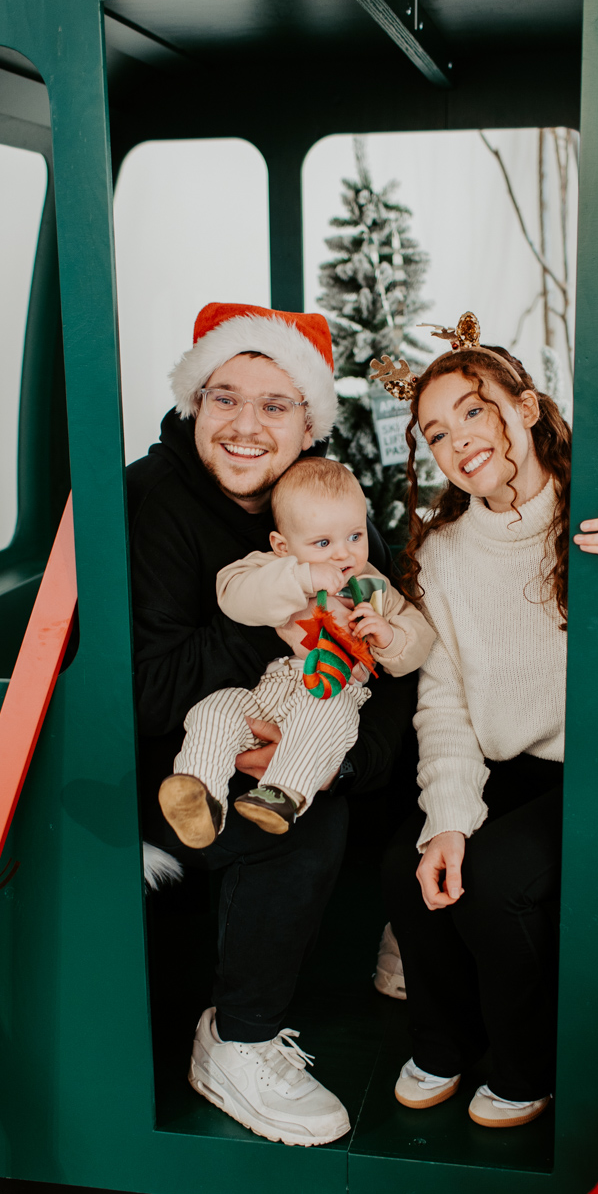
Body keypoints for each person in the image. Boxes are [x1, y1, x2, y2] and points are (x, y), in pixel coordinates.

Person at [377, 313, 598, 1130]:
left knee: (499, 881)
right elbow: (443, 700)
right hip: (515, 765)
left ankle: (528, 1066)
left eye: (473, 411)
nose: (458, 441)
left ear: (524, 405)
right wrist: (447, 819)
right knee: (409, 867)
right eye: (437, 432)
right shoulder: (444, 551)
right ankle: (444, 1043)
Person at [127, 302, 416, 1149]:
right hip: (173, 764)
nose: (246, 426)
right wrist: (271, 598)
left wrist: (346, 760)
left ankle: (407, 946)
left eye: (275, 404)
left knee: (379, 757)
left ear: (309, 422)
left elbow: (395, 666)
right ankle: (239, 1043)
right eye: (224, 398)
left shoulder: (331, 501)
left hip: (307, 732)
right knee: (294, 819)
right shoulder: (151, 504)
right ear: (195, 404)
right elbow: (148, 691)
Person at [159, 456, 434, 840]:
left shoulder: (374, 587)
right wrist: (300, 576)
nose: (343, 554)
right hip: (270, 688)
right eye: (323, 543)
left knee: (326, 720)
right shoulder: (273, 567)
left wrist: (390, 636)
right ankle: (199, 794)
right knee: (215, 709)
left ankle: (281, 794)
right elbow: (233, 594)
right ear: (282, 544)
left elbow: (420, 637)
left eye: (355, 536)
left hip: (331, 690)